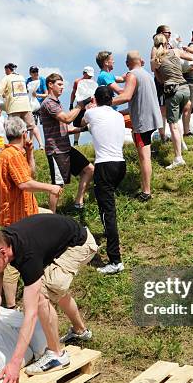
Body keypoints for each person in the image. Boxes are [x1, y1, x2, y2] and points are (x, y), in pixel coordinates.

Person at [0, 214, 98, 383]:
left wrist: (15, 363)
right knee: (51, 289)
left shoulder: (28, 255)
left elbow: (30, 315)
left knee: (41, 296)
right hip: (58, 243)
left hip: (79, 245)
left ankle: (57, 355)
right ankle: (80, 330)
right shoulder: (0, 245)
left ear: (2, 253)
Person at [0, 116, 62, 308]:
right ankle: (10, 305)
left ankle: (41, 278)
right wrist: (50, 188)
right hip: (18, 213)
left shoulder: (12, 153)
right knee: (12, 259)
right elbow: (25, 184)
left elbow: (29, 175)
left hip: (23, 210)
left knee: (50, 221)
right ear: (24, 134)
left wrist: (30, 153)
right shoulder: (12, 156)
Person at [84, 86, 126, 274]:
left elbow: (78, 121)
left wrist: (88, 107)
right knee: (107, 208)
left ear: (96, 99)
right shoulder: (117, 116)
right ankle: (112, 241)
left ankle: (115, 260)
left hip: (105, 165)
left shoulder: (92, 113)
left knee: (107, 212)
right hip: (120, 164)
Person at [111, 51, 163, 202]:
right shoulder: (147, 75)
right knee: (146, 156)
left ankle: (146, 192)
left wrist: (105, 102)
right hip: (152, 119)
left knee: (144, 157)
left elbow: (126, 96)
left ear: (127, 63)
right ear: (141, 61)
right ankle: (145, 188)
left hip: (141, 123)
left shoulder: (131, 75)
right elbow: (139, 101)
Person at [39, 73, 93, 212]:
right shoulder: (49, 103)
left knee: (89, 169)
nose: (63, 87)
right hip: (56, 151)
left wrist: (85, 128)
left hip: (65, 148)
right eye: (60, 84)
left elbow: (65, 127)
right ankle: (52, 216)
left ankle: (78, 202)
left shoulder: (56, 103)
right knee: (57, 186)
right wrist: (80, 106)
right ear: (50, 85)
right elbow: (67, 119)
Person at [152, 34, 192, 169]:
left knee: (173, 125)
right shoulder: (175, 51)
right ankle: (181, 143)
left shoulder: (156, 60)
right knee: (177, 120)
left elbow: (159, 79)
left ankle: (178, 158)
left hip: (173, 90)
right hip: (185, 88)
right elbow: (191, 57)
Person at [0, 63, 44, 150]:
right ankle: (38, 145)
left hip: (14, 107)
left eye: (5, 70)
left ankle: (16, 148)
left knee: (14, 129)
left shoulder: (7, 78)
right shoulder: (21, 77)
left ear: (8, 70)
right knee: (31, 126)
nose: (5, 72)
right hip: (26, 106)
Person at [69, 66, 95, 145]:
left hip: (89, 107)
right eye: (88, 75)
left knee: (93, 123)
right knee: (77, 124)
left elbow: (93, 95)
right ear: (84, 73)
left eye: (91, 75)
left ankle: (96, 141)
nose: (90, 77)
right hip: (79, 107)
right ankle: (76, 142)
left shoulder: (92, 82)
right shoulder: (77, 82)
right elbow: (73, 93)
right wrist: (71, 104)